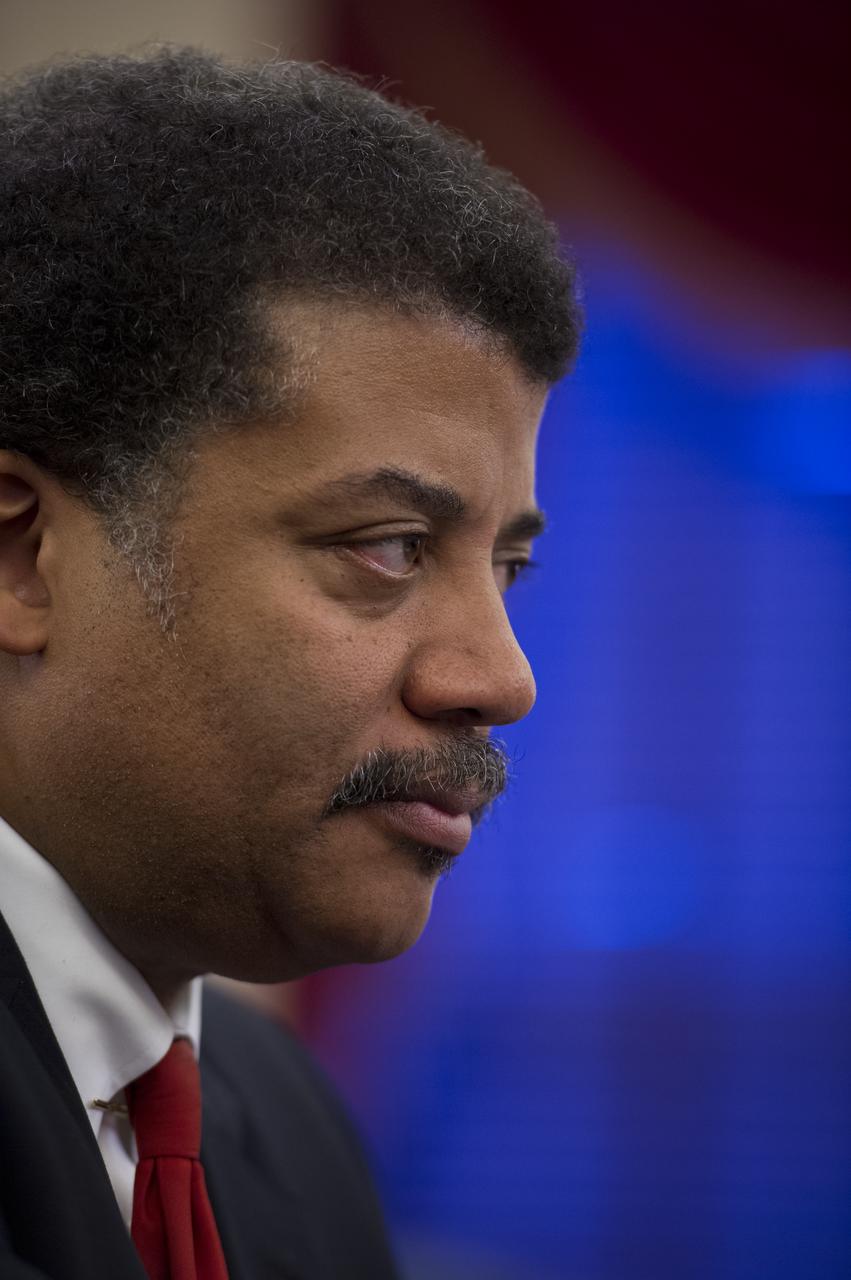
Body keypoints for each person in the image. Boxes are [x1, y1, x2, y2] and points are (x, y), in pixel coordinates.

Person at [0, 46, 581, 1280]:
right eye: (388, 546)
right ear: (23, 560)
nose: (501, 678)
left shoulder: (288, 1121)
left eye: (507, 567)